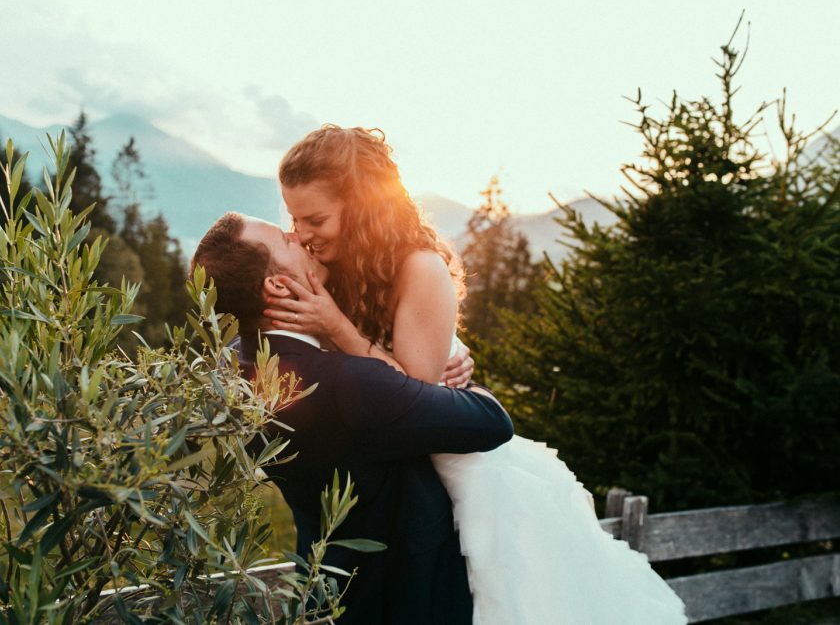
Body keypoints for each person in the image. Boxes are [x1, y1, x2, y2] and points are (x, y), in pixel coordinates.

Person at [262, 124, 687, 624]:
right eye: (294, 218)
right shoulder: (334, 264)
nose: (302, 234)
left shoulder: (419, 268)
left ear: (361, 207)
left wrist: (336, 325)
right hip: (378, 487)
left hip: (456, 478)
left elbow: (414, 401)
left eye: (316, 218)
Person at [192, 212, 515, 624]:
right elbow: (492, 421)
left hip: (326, 591)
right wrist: (449, 380)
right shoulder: (347, 384)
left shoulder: (237, 365)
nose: (298, 236)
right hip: (406, 596)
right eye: (285, 239)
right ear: (276, 285)